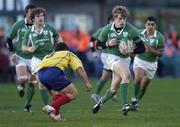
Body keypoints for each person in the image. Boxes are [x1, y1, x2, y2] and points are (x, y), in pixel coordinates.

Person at [92, 5, 145, 115]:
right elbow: (98, 46)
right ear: (115, 17)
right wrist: (108, 43)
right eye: (120, 18)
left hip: (125, 60)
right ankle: (125, 105)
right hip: (112, 59)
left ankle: (99, 103)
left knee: (113, 90)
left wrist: (130, 51)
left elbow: (142, 48)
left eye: (124, 18)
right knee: (127, 75)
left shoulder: (131, 29)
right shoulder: (107, 30)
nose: (122, 21)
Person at [37, 42, 92, 121]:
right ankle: (50, 107)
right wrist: (87, 82)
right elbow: (79, 68)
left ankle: (57, 116)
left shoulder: (49, 55)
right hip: (53, 72)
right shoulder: (68, 53)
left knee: (57, 94)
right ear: (66, 49)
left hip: (41, 75)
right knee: (74, 93)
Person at [22, 7, 63, 107]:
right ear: (33, 19)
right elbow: (23, 47)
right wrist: (30, 49)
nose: (41, 18)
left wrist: (60, 50)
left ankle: (54, 105)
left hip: (50, 59)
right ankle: (48, 108)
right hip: (37, 60)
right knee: (41, 84)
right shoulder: (29, 32)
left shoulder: (50, 28)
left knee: (50, 86)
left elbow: (59, 39)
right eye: (38, 16)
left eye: (42, 16)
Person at [6, 4, 36, 112]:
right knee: (23, 79)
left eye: (35, 12)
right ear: (27, 13)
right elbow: (9, 39)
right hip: (20, 56)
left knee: (33, 83)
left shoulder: (38, 26)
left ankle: (27, 105)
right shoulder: (18, 25)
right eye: (31, 12)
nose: (33, 15)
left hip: (34, 58)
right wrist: (12, 53)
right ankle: (21, 85)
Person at [131, 16, 165, 111]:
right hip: (140, 60)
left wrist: (152, 51)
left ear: (155, 26)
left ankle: (136, 101)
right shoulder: (138, 33)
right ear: (145, 25)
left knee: (144, 85)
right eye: (148, 24)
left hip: (152, 63)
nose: (150, 26)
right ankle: (134, 98)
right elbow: (130, 38)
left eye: (152, 25)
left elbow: (161, 54)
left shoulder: (160, 37)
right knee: (138, 78)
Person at [90, 15, 117, 103]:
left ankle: (96, 94)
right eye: (112, 20)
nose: (113, 22)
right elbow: (92, 39)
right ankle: (113, 91)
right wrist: (93, 51)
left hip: (114, 55)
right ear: (108, 22)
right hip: (106, 55)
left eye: (115, 20)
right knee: (118, 71)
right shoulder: (104, 29)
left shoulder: (119, 30)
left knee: (105, 76)